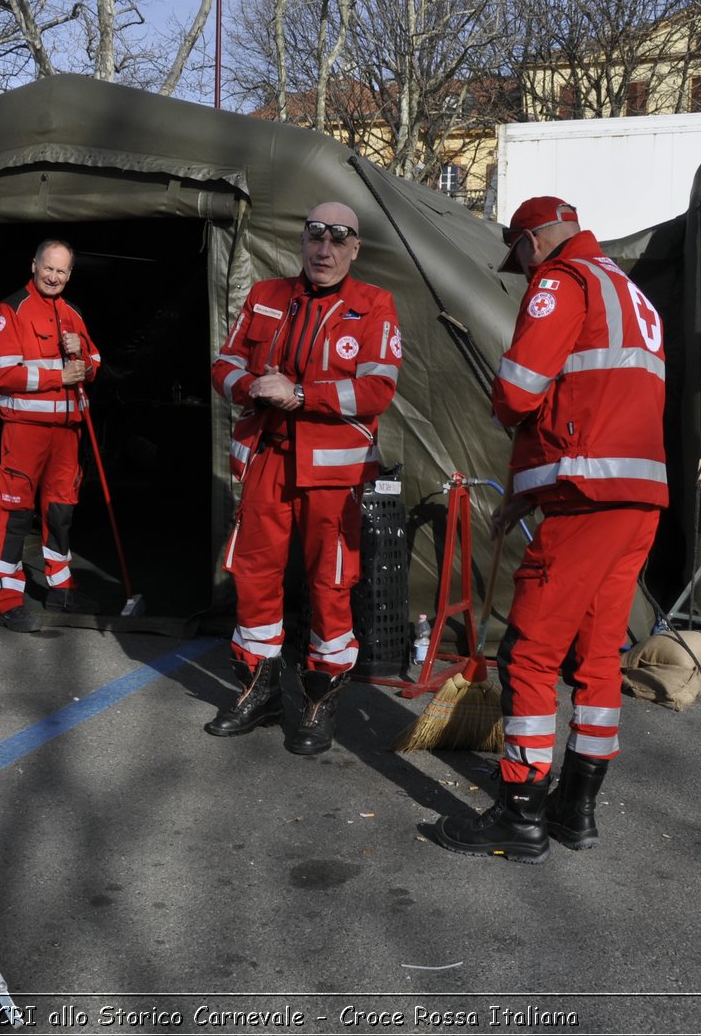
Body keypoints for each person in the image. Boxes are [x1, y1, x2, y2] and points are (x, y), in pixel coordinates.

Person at [435, 196, 667, 863]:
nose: (523, 274)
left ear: (534, 242)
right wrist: (522, 489)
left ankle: (520, 808)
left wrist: (503, 399)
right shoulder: (630, 292)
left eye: (520, 259)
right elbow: (598, 400)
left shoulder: (562, 282)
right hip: (637, 496)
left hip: (585, 498)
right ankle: (576, 806)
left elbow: (520, 391)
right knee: (596, 657)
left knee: (529, 654)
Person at [206, 202, 401, 755]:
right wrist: (251, 388)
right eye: (315, 236)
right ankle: (258, 689)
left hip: (332, 476)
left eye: (339, 240)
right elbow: (224, 366)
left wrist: (301, 395)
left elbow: (377, 390)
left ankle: (321, 697)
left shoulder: (375, 306)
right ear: (303, 239)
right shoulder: (266, 295)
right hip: (268, 457)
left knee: (329, 584)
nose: (325, 249)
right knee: (254, 574)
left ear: (355, 248)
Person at [0, 239, 102, 632]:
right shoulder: (9, 310)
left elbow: (97, 363)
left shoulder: (73, 313)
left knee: (61, 511)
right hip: (25, 432)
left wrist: (83, 357)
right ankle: (6, 600)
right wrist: (60, 376)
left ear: (70, 274)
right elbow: (4, 373)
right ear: (34, 264)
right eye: (48, 268)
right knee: (16, 514)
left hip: (68, 433)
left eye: (62, 271)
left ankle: (60, 586)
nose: (54, 277)